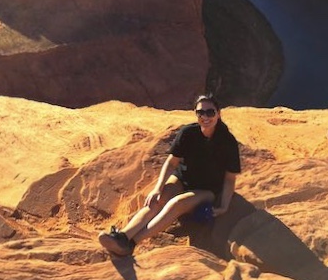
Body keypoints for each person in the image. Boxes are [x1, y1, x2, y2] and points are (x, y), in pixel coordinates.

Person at [99, 94, 241, 257]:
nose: (205, 117)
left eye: (210, 112)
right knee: (158, 199)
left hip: (208, 190)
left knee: (176, 203)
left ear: (218, 113)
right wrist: (157, 189)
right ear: (196, 114)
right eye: (201, 113)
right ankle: (123, 235)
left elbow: (230, 179)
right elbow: (172, 163)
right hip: (182, 179)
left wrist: (223, 206)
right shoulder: (188, 133)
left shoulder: (227, 142)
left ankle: (131, 244)